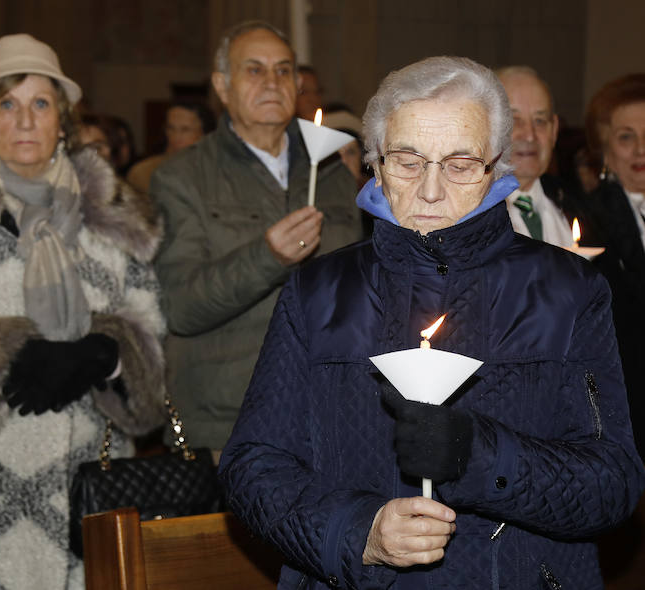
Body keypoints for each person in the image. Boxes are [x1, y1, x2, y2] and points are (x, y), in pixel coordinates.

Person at [219, 56, 645, 589]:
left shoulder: (568, 292)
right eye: (407, 160)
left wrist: (481, 457)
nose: (430, 190)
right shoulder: (319, 293)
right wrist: (359, 532)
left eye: (461, 163)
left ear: (499, 167)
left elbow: (612, 484)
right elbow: (253, 467)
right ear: (373, 163)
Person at [0, 34, 166, 590]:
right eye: (7, 104)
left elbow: (150, 329)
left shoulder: (114, 214)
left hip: (87, 481)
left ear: (62, 120)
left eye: (40, 104)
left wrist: (105, 354)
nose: (24, 120)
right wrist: (10, 356)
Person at [152, 20, 365, 455]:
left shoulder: (328, 170)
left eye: (284, 71)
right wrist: (268, 257)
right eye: (254, 70)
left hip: (330, 414)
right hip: (232, 423)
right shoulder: (182, 177)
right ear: (222, 86)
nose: (272, 82)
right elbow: (179, 307)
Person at [577, 73, 645, 459]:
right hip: (625, 404)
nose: (641, 149)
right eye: (625, 136)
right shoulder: (588, 218)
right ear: (603, 150)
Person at [497, 66, 577, 247]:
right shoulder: (466, 216)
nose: (529, 135)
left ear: (554, 130)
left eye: (539, 121)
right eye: (513, 120)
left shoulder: (579, 206)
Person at [126, 100, 215, 193]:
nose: (176, 137)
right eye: (171, 128)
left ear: (204, 134)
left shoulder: (215, 172)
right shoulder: (143, 172)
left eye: (185, 130)